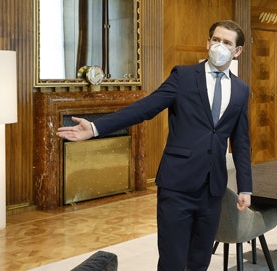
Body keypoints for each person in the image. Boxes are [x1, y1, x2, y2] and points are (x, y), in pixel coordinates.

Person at [57, 20, 253, 271]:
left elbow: (241, 141)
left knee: (200, 260)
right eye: (216, 39)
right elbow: (144, 108)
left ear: (237, 51)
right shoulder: (183, 76)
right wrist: (96, 128)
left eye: (227, 42)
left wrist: (245, 187)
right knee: (172, 261)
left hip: (213, 189)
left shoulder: (241, 90)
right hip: (177, 185)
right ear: (207, 42)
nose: (219, 46)